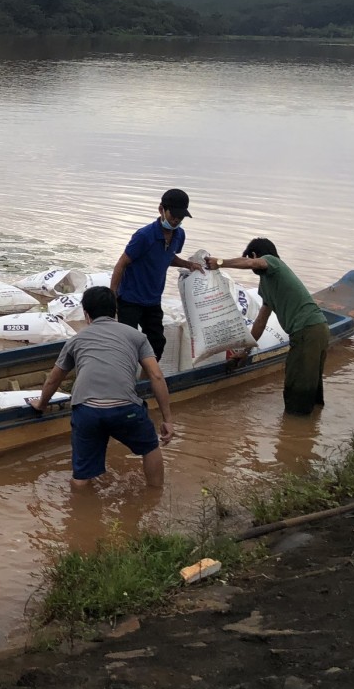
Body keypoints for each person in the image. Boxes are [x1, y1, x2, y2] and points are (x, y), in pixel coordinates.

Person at [28, 286, 175, 490]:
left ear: (87, 315)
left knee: (81, 475)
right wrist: (167, 419)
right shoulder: (137, 336)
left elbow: (54, 380)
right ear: (115, 311)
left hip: (87, 411)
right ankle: (156, 496)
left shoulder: (75, 340)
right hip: (125, 408)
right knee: (150, 448)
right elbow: (156, 375)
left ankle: (80, 514)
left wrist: (41, 404)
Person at [206, 239, 329, 415]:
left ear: (255, 255)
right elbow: (260, 322)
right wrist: (245, 352)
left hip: (306, 331)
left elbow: (252, 263)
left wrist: (220, 263)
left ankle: (294, 431)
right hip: (316, 330)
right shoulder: (267, 284)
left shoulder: (274, 262)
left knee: (296, 389)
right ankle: (309, 431)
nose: (250, 265)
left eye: (249, 259)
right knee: (310, 386)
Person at [109, 187, 204, 361]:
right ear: (161, 209)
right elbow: (122, 263)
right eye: (173, 215)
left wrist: (188, 264)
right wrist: (112, 295)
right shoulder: (144, 236)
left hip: (152, 300)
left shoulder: (179, 235)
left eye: (180, 217)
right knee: (126, 346)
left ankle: (145, 383)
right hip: (130, 299)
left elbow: (167, 256)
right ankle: (124, 383)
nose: (176, 220)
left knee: (156, 345)